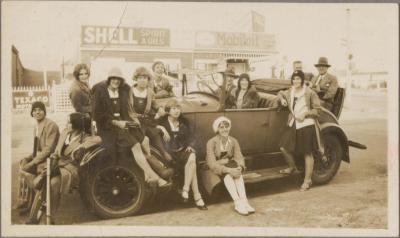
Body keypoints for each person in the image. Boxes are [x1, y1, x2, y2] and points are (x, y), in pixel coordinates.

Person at [92, 67, 170, 188]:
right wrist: (116, 122)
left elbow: (128, 107)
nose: (116, 81)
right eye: (113, 79)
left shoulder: (122, 91)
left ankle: (147, 174)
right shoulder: (102, 92)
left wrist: (130, 121)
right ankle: (155, 177)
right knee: (136, 146)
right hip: (108, 127)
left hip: (123, 123)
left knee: (145, 140)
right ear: (108, 80)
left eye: (118, 79)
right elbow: (98, 116)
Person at [28, 113, 101, 224]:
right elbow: (56, 151)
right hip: (57, 166)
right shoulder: (64, 133)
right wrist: (54, 157)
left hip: (70, 168)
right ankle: (33, 218)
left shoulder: (85, 137)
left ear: (75, 124)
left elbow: (98, 139)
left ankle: (50, 218)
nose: (67, 124)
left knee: (52, 184)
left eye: (69, 122)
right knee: (46, 182)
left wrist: (81, 147)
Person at [156, 99, 207, 210]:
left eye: (178, 108)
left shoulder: (185, 122)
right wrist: (160, 128)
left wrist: (191, 145)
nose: (176, 111)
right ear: (168, 111)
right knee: (192, 166)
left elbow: (194, 136)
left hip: (183, 151)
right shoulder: (161, 122)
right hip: (169, 154)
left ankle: (185, 190)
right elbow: (150, 125)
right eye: (174, 108)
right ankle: (198, 197)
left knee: (192, 156)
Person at [277, 70, 322, 191]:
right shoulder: (290, 91)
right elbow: (280, 93)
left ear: (302, 80)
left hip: (306, 125)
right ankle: (292, 167)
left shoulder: (309, 93)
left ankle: (307, 180)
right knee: (283, 147)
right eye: (294, 79)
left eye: (298, 79)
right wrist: (282, 99)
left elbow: (317, 110)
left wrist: (305, 114)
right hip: (293, 123)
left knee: (307, 153)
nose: (295, 81)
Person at [15, 101, 60, 217]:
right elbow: (36, 149)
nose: (37, 112)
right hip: (41, 159)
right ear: (32, 113)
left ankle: (32, 205)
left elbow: (48, 149)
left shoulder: (51, 125)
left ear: (44, 111)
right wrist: (28, 158)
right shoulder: (37, 126)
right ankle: (26, 202)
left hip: (49, 160)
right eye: (34, 110)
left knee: (26, 172)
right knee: (22, 167)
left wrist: (33, 163)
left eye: (40, 109)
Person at [206, 116, 255, 215]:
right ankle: (237, 203)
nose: (225, 129)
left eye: (227, 126)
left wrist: (240, 167)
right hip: (216, 167)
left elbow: (239, 157)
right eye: (222, 127)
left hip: (230, 164)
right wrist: (228, 170)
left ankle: (244, 201)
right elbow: (211, 163)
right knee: (229, 176)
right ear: (217, 129)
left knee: (238, 175)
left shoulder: (233, 141)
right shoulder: (211, 142)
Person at [130, 67, 174, 166]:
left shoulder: (149, 91)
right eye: (140, 78)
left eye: (145, 78)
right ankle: (151, 160)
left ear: (148, 80)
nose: (142, 80)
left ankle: (163, 153)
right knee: (143, 137)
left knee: (154, 133)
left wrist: (160, 109)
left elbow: (154, 104)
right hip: (134, 120)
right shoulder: (130, 91)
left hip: (146, 120)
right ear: (136, 79)